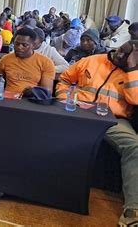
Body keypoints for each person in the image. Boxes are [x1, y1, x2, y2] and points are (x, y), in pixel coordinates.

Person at [55, 41, 138, 226]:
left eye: (127, 55)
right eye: (120, 50)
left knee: (135, 147)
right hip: (77, 112)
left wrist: (132, 68)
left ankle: (132, 211)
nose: (119, 55)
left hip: (113, 120)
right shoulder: (91, 60)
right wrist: (64, 98)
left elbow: (135, 98)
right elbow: (65, 80)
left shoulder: (135, 73)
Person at [0, 27, 55, 94]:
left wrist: (32, 92)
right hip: (7, 100)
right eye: (17, 44)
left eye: (24, 45)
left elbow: (46, 91)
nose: (19, 47)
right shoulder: (5, 60)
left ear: (34, 46)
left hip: (32, 100)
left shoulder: (46, 63)